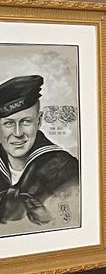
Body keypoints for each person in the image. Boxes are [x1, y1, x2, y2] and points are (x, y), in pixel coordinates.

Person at [0, 74, 79, 227]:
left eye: (26, 121)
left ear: (39, 121)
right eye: (9, 123)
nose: (18, 133)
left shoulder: (66, 170)